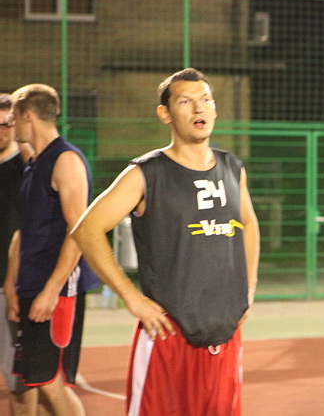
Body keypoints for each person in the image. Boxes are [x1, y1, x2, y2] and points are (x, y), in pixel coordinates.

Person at [72, 68, 260, 416]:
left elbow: (248, 223)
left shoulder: (232, 168)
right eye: (185, 102)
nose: (199, 108)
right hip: (168, 335)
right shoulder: (147, 173)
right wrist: (132, 298)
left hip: (224, 334)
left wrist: (249, 286)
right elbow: (87, 229)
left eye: (206, 99)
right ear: (165, 114)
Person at [4, 84, 100, 416]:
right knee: (35, 380)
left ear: (27, 115)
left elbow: (78, 231)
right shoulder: (35, 163)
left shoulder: (66, 160)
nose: (11, 126)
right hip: (32, 286)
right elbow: (26, 231)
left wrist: (51, 291)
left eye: (13, 118)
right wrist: (14, 284)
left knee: (50, 381)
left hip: (57, 290)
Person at [0, 93, 35, 415]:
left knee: (19, 382)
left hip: (7, 285)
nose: (2, 131)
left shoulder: (26, 167)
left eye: (6, 124)